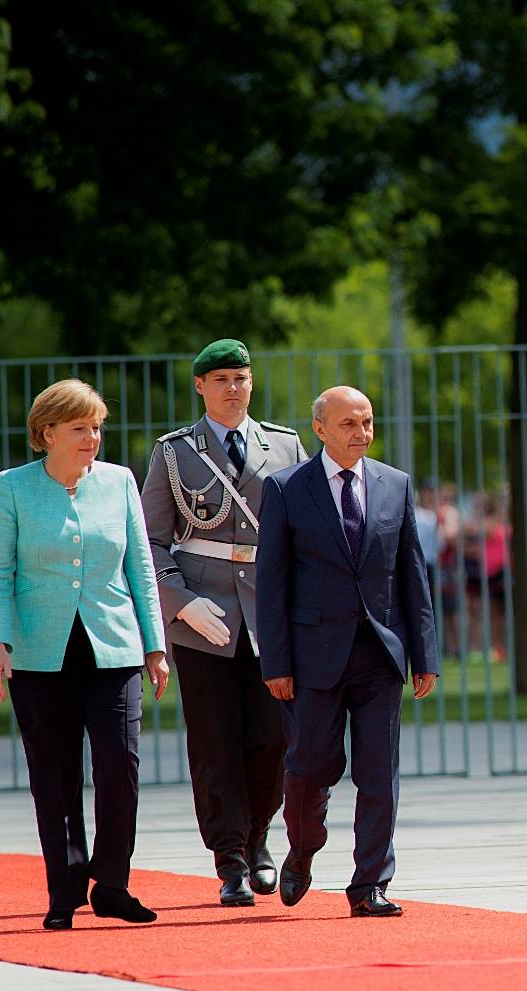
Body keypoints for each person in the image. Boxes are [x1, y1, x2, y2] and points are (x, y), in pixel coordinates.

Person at [0, 378, 170, 930]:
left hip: (115, 649)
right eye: (81, 428)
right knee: (55, 777)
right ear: (47, 434)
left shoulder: (119, 482)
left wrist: (154, 645)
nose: (92, 438)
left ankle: (112, 884)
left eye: (97, 427)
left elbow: (141, 569)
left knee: (120, 767)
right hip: (40, 657)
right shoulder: (13, 487)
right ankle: (64, 890)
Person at [255, 386, 439, 917]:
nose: (361, 433)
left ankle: (370, 884)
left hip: (380, 652)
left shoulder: (395, 485)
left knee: (379, 772)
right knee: (311, 765)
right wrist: (277, 664)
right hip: (313, 656)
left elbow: (412, 574)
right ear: (320, 429)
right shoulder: (287, 489)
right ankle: (303, 849)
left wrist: (423, 654)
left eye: (367, 422)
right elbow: (272, 585)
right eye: (349, 424)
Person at [141, 339, 307, 906]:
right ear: (200, 387)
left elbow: (301, 533)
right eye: (221, 380)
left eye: (240, 377)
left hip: (269, 614)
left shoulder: (284, 446)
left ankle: (259, 835)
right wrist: (179, 602)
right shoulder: (173, 453)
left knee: (272, 740)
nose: (232, 388)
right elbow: (151, 542)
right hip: (203, 614)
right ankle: (231, 859)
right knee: (215, 743)